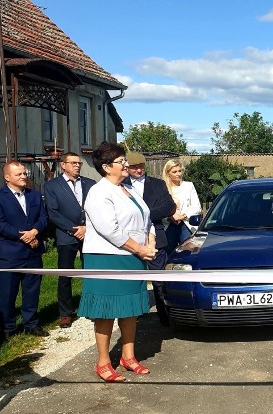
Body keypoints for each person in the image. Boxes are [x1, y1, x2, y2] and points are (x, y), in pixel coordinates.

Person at [80, 141, 157, 383]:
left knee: (130, 311)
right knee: (106, 311)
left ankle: (128, 357)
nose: (126, 164)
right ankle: (103, 361)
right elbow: (109, 229)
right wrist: (140, 250)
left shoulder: (130, 189)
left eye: (124, 160)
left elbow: (147, 220)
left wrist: (150, 243)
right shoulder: (98, 192)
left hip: (134, 257)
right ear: (105, 167)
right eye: (121, 161)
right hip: (106, 258)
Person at [0, 161, 49, 340]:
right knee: (7, 292)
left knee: (32, 290)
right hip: (10, 254)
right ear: (7, 178)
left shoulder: (35, 196)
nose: (24, 176)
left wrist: (35, 231)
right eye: (19, 174)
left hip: (33, 252)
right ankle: (8, 327)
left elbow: (44, 218)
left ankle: (31, 323)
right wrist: (23, 236)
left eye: (24, 173)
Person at [43, 152, 95, 328]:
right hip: (67, 236)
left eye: (79, 163)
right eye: (73, 163)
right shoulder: (52, 186)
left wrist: (87, 228)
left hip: (89, 234)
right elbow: (53, 212)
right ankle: (65, 312)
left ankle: (91, 307)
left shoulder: (90, 184)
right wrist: (74, 230)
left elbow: (96, 208)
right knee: (65, 274)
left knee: (91, 272)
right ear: (63, 165)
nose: (77, 165)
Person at [123, 152, 176, 326]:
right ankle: (132, 313)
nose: (138, 170)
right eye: (134, 167)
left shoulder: (158, 184)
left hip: (157, 238)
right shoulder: (120, 185)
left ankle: (165, 316)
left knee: (159, 280)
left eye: (141, 166)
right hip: (129, 240)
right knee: (132, 279)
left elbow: (169, 206)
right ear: (127, 167)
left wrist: (144, 215)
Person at [162, 159, 202, 252]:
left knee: (188, 252)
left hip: (185, 224)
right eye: (174, 172)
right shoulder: (163, 188)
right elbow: (160, 207)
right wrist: (171, 217)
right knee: (169, 253)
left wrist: (183, 216)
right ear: (168, 173)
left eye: (179, 171)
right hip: (168, 225)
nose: (178, 174)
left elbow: (197, 207)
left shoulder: (188, 186)